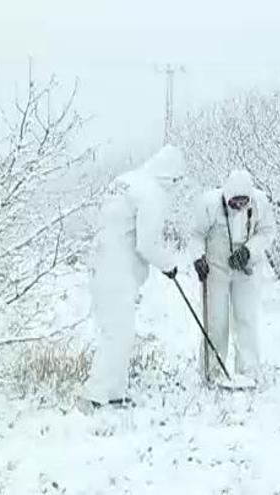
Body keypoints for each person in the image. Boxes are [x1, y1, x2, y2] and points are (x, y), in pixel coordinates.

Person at [80, 145, 185, 409]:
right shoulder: (152, 193)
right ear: (171, 177)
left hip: (99, 263)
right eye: (177, 182)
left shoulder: (125, 181)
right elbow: (147, 244)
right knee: (118, 334)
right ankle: (95, 395)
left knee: (114, 332)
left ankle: (114, 391)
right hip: (117, 271)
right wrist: (169, 265)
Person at [191, 169, 275, 382]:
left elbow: (266, 232)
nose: (238, 206)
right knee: (216, 321)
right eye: (234, 202)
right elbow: (196, 234)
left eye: (242, 202)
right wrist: (198, 257)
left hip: (245, 268)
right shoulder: (209, 204)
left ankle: (248, 371)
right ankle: (212, 372)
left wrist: (249, 250)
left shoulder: (260, 203)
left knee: (246, 318)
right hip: (215, 268)